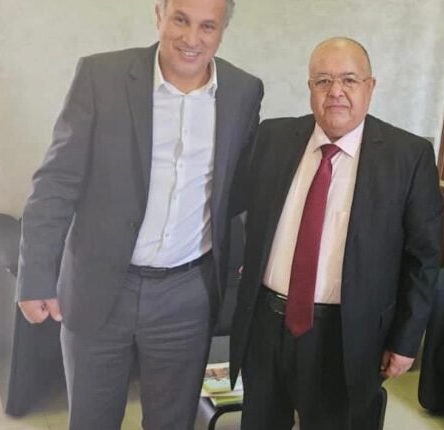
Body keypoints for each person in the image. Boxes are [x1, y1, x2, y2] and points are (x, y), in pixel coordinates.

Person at [16, 0, 263, 428]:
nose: (191, 38)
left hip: (187, 295)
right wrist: (36, 274)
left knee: (172, 422)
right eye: (180, 20)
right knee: (92, 420)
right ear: (159, 14)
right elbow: (56, 182)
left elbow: (236, 186)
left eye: (207, 26)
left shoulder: (243, 91)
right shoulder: (102, 77)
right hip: (99, 285)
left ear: (222, 30)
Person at [230, 37, 442, 430]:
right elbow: (233, 206)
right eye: (323, 81)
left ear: (370, 87)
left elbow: (423, 257)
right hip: (266, 326)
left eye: (349, 80)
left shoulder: (407, 156)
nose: (336, 92)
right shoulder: (272, 137)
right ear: (310, 87)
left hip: (346, 335)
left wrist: (406, 339)